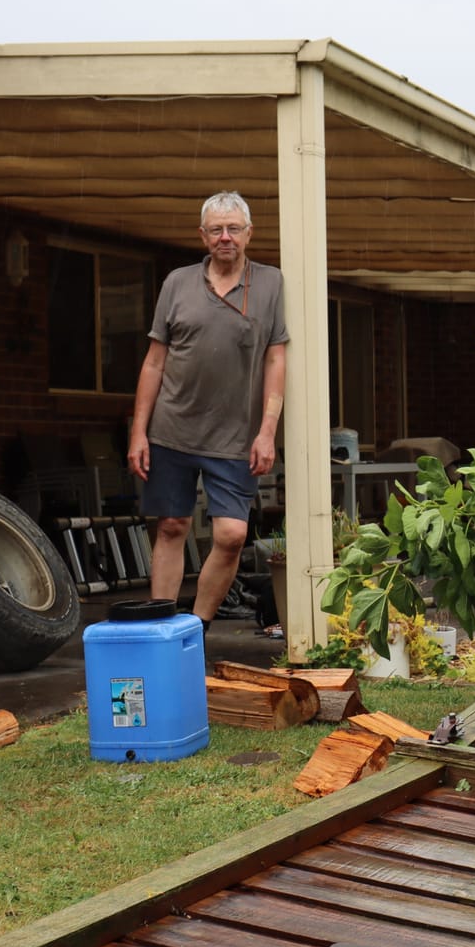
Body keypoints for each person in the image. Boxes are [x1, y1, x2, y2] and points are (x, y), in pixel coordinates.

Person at [129, 191, 288, 627]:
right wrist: (138, 432)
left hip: (236, 435)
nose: (225, 237)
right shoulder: (177, 283)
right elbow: (155, 360)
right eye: (216, 229)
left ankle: (195, 629)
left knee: (232, 535)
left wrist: (268, 430)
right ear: (203, 235)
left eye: (234, 229)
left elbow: (276, 359)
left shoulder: (270, 283)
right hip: (171, 429)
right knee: (171, 527)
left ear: (249, 233)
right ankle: (162, 630)